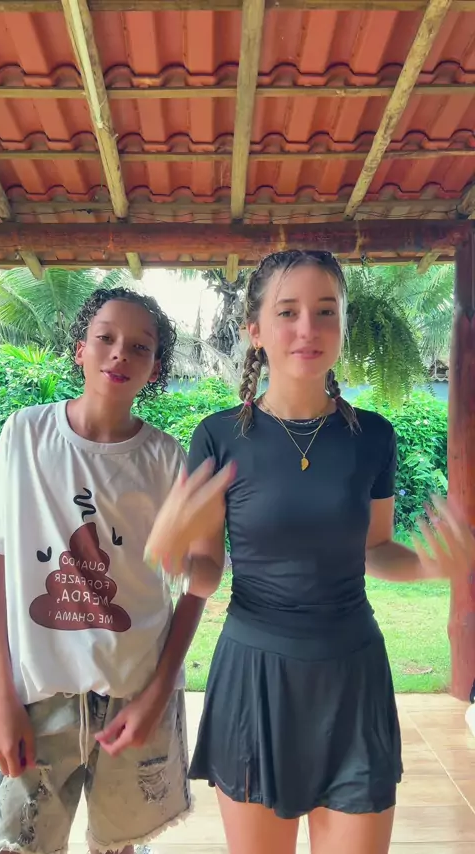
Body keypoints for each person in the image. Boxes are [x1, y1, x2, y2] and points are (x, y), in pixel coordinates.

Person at [145, 250, 475, 854]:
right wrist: (172, 553)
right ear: (255, 331)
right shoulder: (218, 436)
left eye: (326, 311)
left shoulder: (372, 436)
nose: (308, 328)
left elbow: (376, 549)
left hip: (353, 678)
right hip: (255, 679)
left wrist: (430, 565)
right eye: (288, 312)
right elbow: (207, 573)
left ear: (343, 325)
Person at [0, 286, 231, 854]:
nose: (121, 352)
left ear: (156, 369)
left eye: (140, 346)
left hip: (135, 693)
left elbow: (198, 585)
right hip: (35, 696)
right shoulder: (24, 435)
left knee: (121, 846)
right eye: (106, 338)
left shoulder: (167, 458)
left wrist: (157, 695)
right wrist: (1, 698)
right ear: (80, 349)